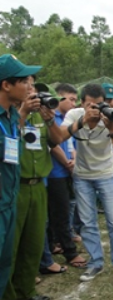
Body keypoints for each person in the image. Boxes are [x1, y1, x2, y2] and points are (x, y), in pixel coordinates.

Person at [60, 83, 113, 283]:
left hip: (106, 174)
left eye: (99, 105)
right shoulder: (74, 115)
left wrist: (111, 128)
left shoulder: (112, 116)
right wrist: (82, 121)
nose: (95, 109)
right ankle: (95, 263)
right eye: (90, 105)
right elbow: (59, 136)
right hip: (82, 176)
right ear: (81, 104)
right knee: (87, 222)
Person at [4, 74, 64, 300]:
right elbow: (9, 137)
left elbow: (57, 140)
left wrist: (49, 119)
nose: (31, 88)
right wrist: (23, 113)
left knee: (33, 245)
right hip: (15, 187)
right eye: (26, 83)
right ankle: (8, 294)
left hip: (39, 186)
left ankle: (26, 291)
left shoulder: (39, 114)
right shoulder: (8, 114)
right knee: (11, 248)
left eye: (32, 84)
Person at [0, 54, 41, 299]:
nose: (30, 87)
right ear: (6, 85)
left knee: (5, 264)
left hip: (9, 201)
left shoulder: (12, 117)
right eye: (24, 81)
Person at [46, 83, 87, 268]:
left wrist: (73, 160)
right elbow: (53, 144)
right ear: (59, 98)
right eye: (70, 99)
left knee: (62, 210)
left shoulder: (66, 118)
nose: (73, 103)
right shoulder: (49, 117)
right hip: (54, 172)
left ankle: (53, 244)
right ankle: (70, 253)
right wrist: (66, 163)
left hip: (65, 169)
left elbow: (68, 143)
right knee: (60, 213)